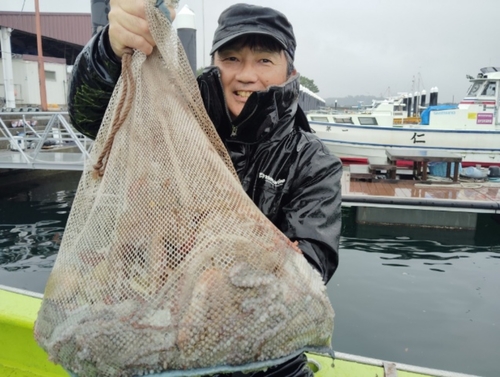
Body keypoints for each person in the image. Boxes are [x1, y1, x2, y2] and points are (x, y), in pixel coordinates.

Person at [68, 1, 342, 376]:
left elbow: (313, 261)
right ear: (214, 64)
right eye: (231, 59)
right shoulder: (173, 121)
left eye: (264, 60)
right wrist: (109, 50)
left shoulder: (313, 161)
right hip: (163, 345)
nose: (247, 75)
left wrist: (226, 278)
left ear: (290, 70)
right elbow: (91, 118)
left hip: (271, 364)